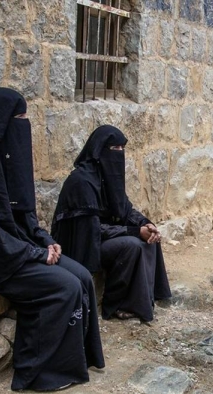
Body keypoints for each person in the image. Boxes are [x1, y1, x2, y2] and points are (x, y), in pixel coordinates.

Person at [0, 87, 105, 391]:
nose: (23, 125)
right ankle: (37, 373)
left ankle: (77, 360)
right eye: (18, 118)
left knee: (82, 276)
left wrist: (43, 240)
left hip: (14, 247)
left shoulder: (2, 155)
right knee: (64, 286)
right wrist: (34, 254)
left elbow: (21, 213)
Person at [51, 125, 171, 323]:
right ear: (99, 150)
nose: (119, 154)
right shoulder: (82, 182)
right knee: (131, 245)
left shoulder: (108, 177)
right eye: (114, 149)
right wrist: (133, 232)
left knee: (149, 239)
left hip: (101, 237)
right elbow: (92, 229)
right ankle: (115, 305)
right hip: (82, 243)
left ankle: (147, 297)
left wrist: (145, 224)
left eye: (122, 149)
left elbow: (125, 209)